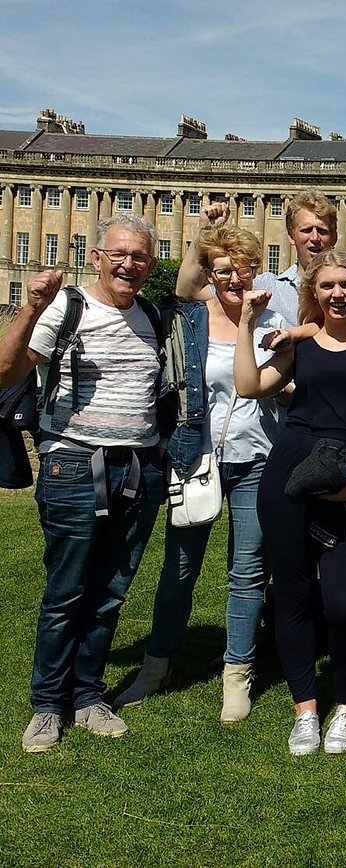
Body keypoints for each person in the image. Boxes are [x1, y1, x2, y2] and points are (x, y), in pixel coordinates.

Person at [0, 215, 167, 753]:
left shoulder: (152, 317)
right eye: (118, 254)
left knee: (111, 591)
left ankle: (88, 695)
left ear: (150, 263)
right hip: (73, 465)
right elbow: (7, 372)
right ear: (96, 257)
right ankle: (48, 705)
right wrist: (29, 305)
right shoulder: (66, 308)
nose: (129, 265)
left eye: (140, 256)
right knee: (67, 591)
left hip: (138, 470)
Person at [115, 226, 286, 722]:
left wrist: (266, 329)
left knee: (248, 570)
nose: (235, 277)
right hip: (196, 456)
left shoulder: (274, 320)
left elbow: (269, 384)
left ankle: (238, 671)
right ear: (211, 274)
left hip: (258, 457)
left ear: (257, 268)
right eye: (223, 269)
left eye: (243, 267)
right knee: (180, 568)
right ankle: (158, 664)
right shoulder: (189, 319)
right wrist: (205, 234)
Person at [235, 249, 346, 755]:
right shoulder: (297, 344)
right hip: (288, 469)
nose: (337, 294)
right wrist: (246, 324)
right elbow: (249, 384)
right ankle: (305, 707)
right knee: (292, 592)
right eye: (326, 286)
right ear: (314, 293)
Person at [176, 190, 341, 326]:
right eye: (306, 230)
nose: (315, 238)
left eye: (322, 230)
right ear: (292, 236)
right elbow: (187, 290)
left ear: (334, 237)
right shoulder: (266, 286)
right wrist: (206, 231)